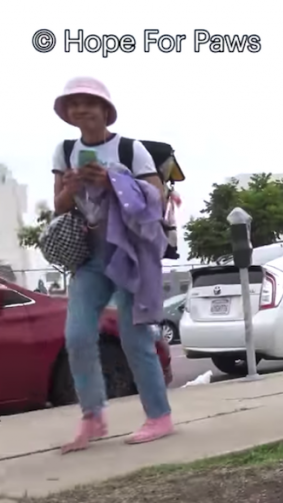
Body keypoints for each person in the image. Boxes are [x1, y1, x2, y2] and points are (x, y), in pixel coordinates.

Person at [51, 77, 174, 453]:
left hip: (129, 252)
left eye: (89, 102)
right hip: (90, 254)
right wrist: (71, 187)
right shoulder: (66, 150)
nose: (81, 109)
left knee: (134, 335)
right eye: (74, 104)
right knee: (77, 335)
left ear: (105, 110)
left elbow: (155, 195)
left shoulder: (129, 149)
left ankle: (159, 416)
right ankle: (93, 417)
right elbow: (58, 205)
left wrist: (113, 178)